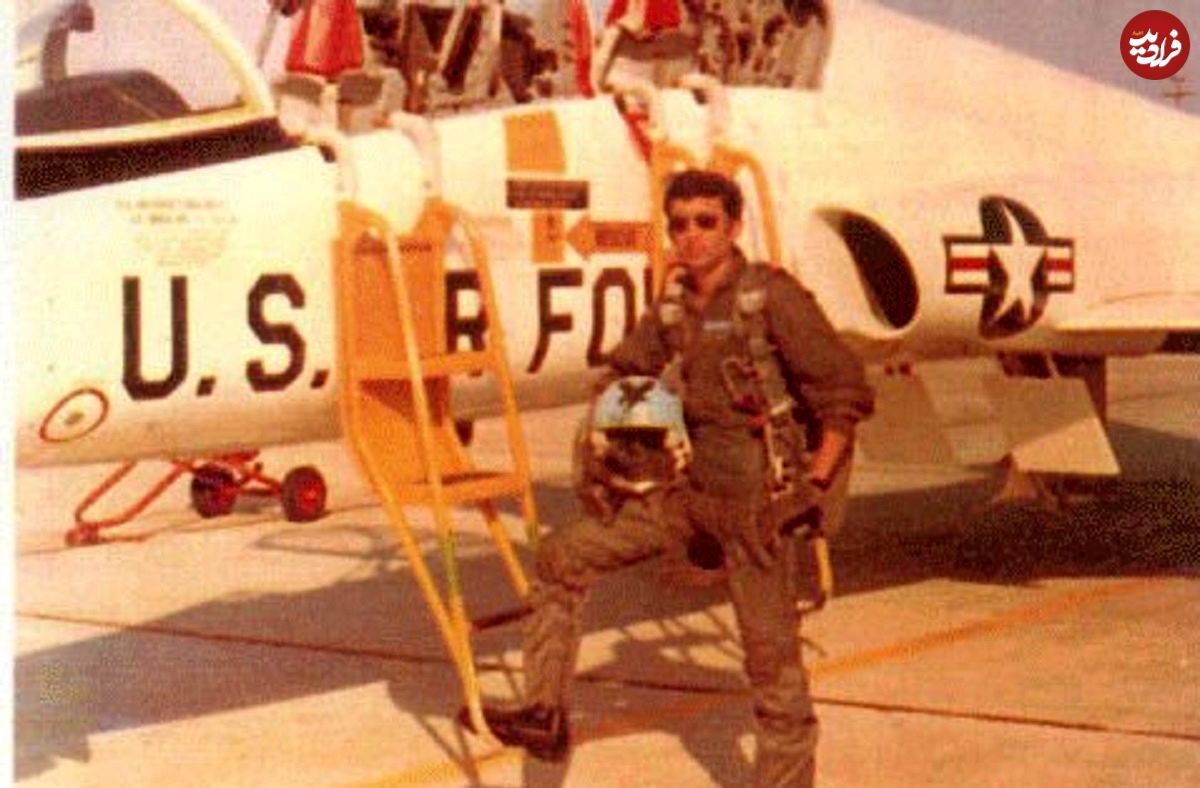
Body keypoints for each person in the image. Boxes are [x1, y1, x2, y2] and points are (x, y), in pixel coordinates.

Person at [465, 169, 874, 787]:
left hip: (760, 509)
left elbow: (845, 395)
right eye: (680, 224)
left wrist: (811, 489)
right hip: (687, 500)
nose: (692, 235)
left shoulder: (771, 299)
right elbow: (627, 369)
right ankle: (544, 712)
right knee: (560, 558)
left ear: (734, 226)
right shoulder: (676, 307)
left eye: (707, 222)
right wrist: (612, 436)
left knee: (772, 666)